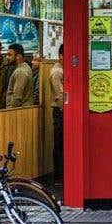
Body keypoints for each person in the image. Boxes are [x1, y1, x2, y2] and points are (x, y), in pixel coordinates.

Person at [4, 43, 35, 108]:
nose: (7, 57)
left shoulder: (20, 71)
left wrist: (10, 111)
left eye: (9, 55)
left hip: (18, 112)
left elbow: (17, 96)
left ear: (18, 56)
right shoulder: (25, 67)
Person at [49, 45, 64, 174]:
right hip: (60, 112)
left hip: (62, 111)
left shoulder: (63, 69)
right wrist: (67, 111)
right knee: (59, 144)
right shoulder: (57, 72)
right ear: (61, 56)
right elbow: (59, 95)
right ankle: (58, 175)